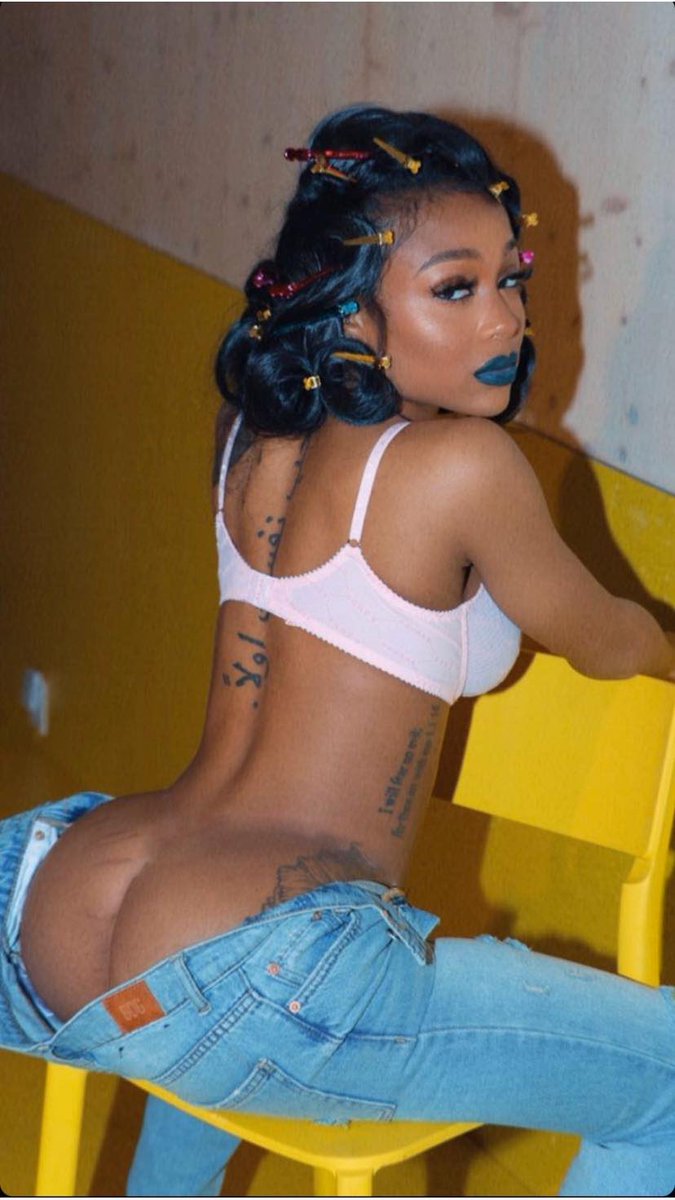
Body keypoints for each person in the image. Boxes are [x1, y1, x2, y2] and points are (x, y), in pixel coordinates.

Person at [2, 104, 675, 1200]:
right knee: (668, 1083)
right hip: (261, 962)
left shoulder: (248, 433)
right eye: (454, 288)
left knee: (204, 1022)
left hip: (71, 912)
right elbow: (608, 645)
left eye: (511, 279)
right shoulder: (464, 468)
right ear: (354, 310)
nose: (505, 319)